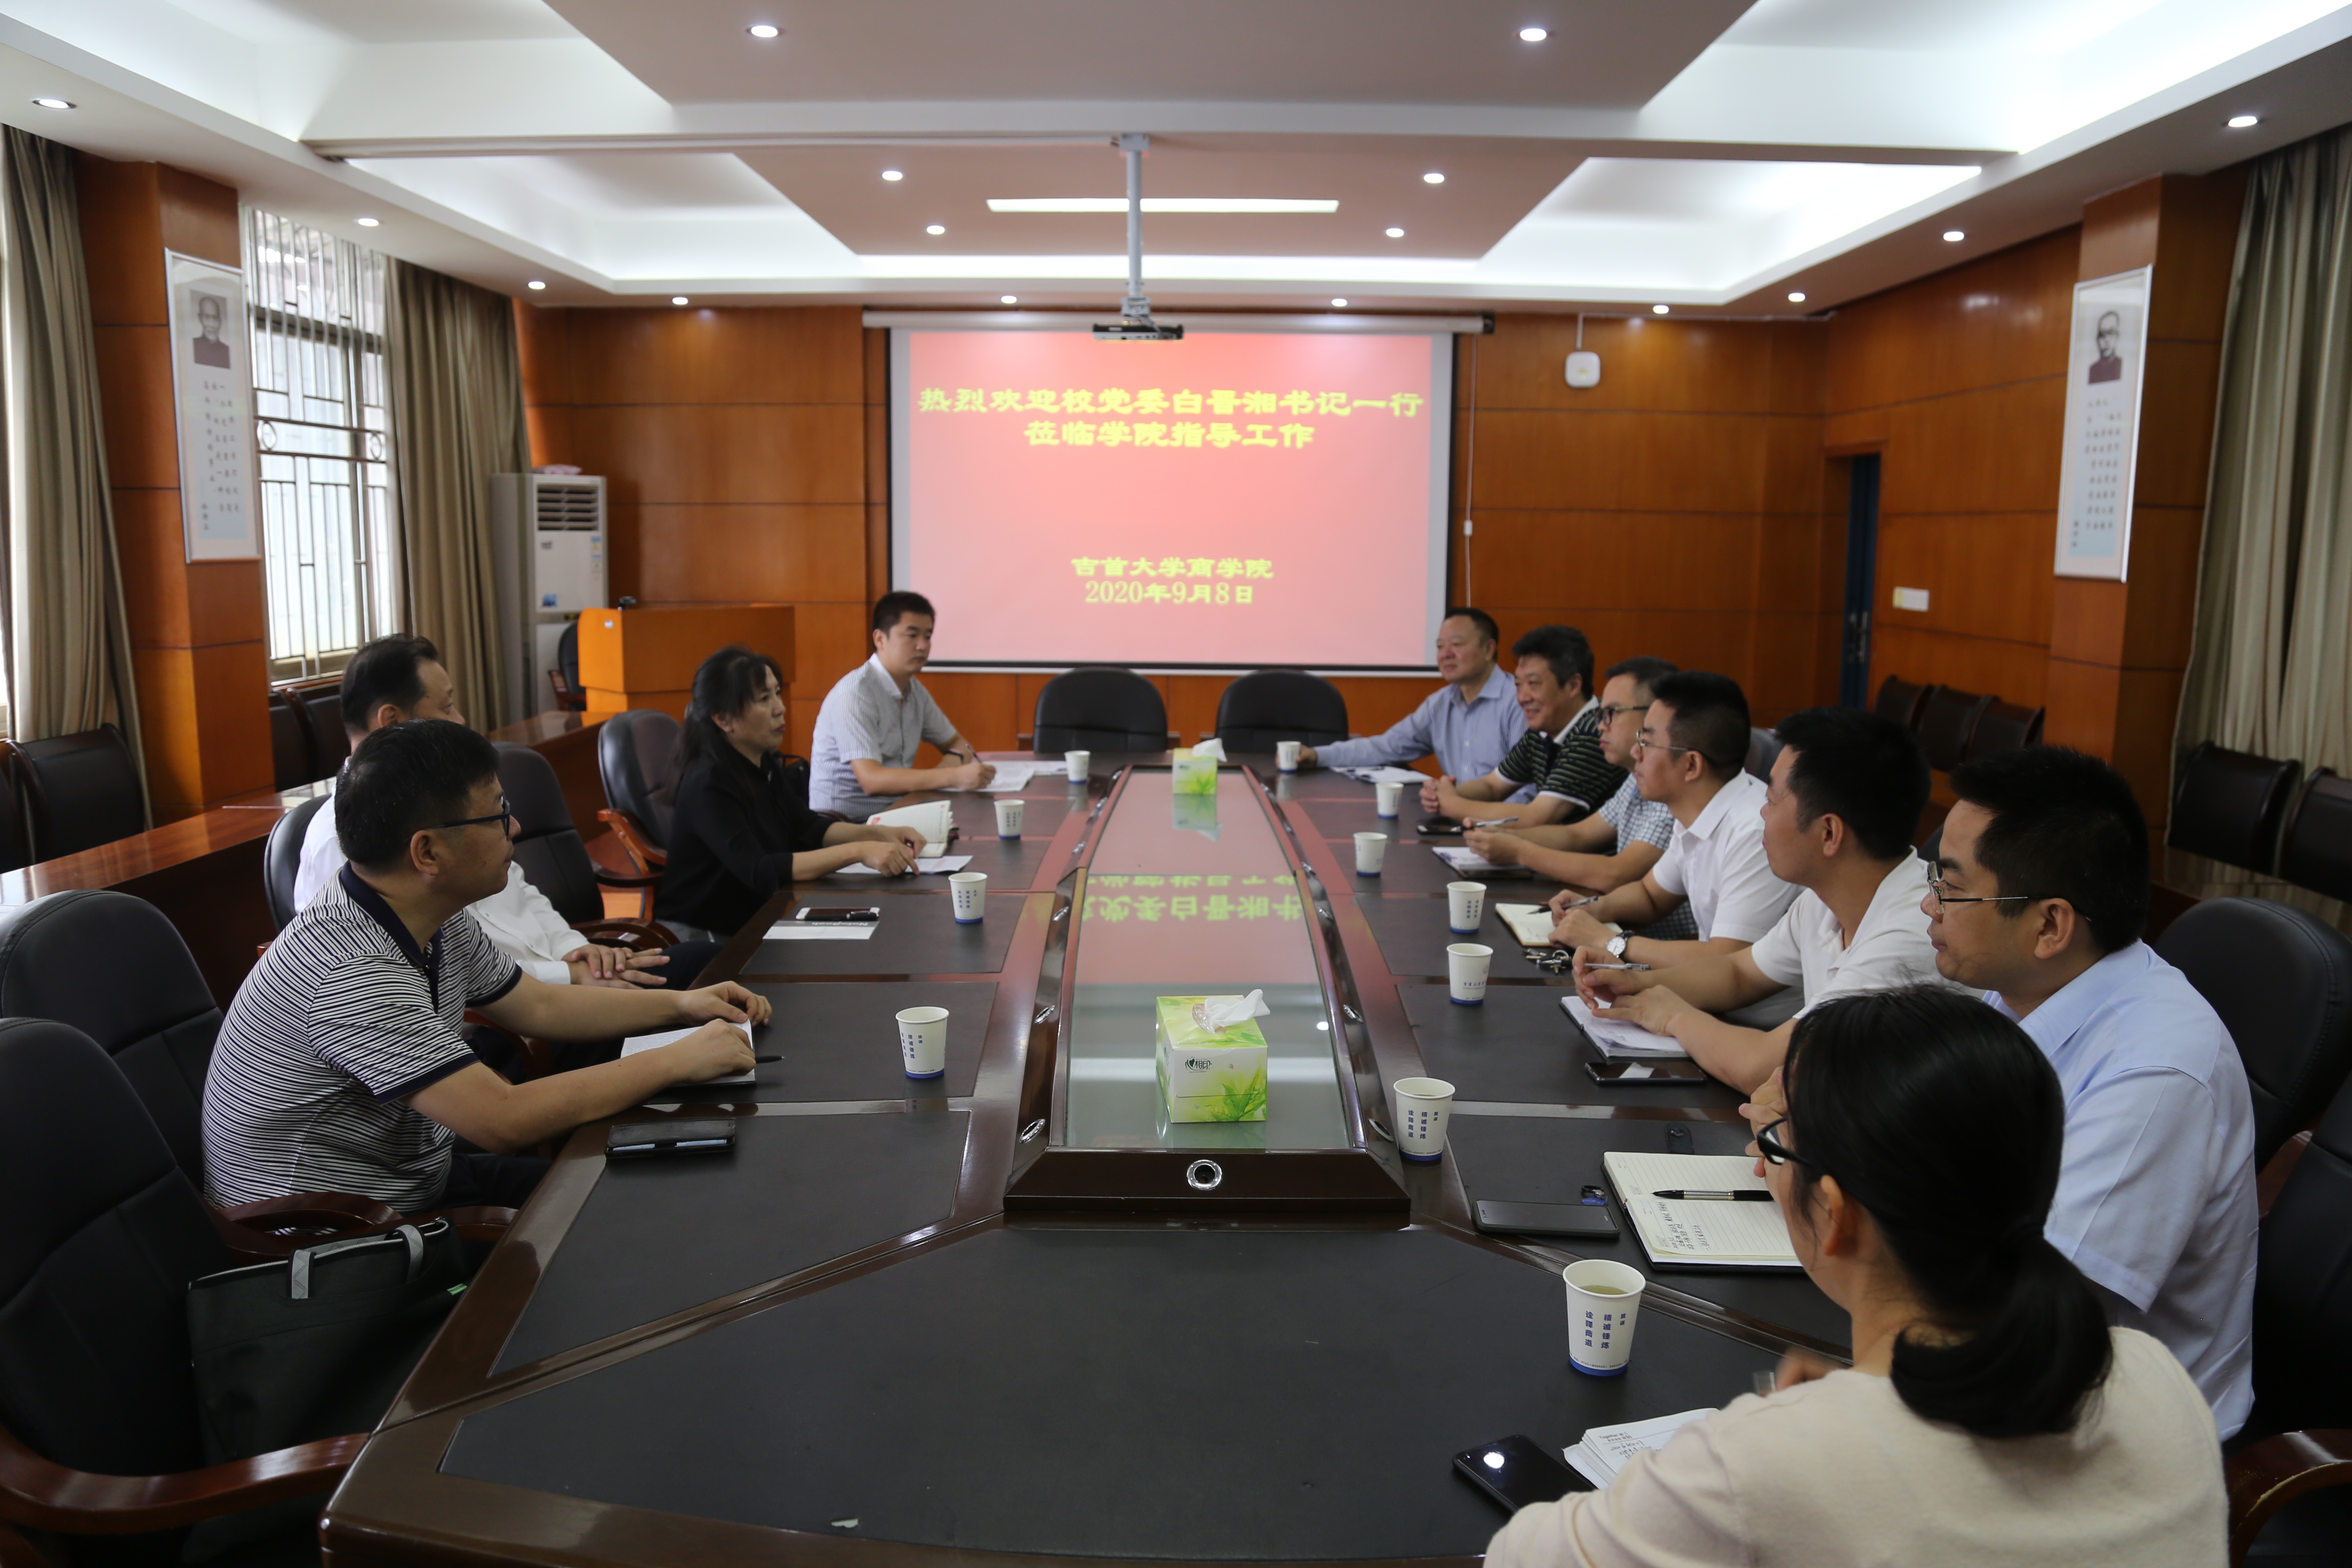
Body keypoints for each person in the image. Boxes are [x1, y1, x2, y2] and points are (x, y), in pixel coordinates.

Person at [1485, 987, 2228, 1568]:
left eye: (1777, 1142)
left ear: (1835, 1213)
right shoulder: (2158, 1380)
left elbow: (1522, 1554)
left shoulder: (1764, 1464)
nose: (1767, 1156)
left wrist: (1796, 1436)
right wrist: (1847, 1411)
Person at [204, 720, 769, 1213]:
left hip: (417, 1178)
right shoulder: (352, 971)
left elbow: (539, 1005)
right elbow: (503, 1120)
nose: (515, 827)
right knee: (623, 1218)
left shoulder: (428, 914)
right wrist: (676, 1059)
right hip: (337, 1237)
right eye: (498, 813)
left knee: (643, 1191)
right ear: (428, 852)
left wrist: (680, 1005)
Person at [1926, 744, 2255, 1435]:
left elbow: (2031, 1319)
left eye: (1952, 888)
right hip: (2003, 1368)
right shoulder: (2022, 991)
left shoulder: (2156, 1071)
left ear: (2050, 925)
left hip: (2114, 1431)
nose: (1930, 905)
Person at [294, 635, 711, 990]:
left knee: (703, 963)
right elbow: (433, 982)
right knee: (697, 988)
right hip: (512, 1022)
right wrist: (570, 976)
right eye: (447, 708)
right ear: (391, 721)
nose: (461, 721)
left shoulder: (444, 799)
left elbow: (519, 888)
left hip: (557, 985)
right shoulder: (345, 840)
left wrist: (576, 951)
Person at [1574, 706, 1954, 1093]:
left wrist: (1672, 1016)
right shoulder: (1826, 896)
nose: (1762, 813)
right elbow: (1740, 973)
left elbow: (1765, 1067)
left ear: (1829, 834)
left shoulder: (1911, 934)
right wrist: (1635, 983)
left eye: (1772, 800)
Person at [1546, 672, 1798, 995]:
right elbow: (1650, 896)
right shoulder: (1696, 809)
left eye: (1647, 743)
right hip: (1706, 997)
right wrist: (1592, 908)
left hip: (1750, 1016)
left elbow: (1726, 958)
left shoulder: (1754, 830)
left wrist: (1608, 940)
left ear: (1691, 766)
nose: (1636, 753)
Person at [659, 644, 931, 938]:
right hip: (705, 933)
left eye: (777, 693)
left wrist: (879, 834)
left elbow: (807, 826)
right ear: (724, 719)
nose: (780, 708)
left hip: (761, 914)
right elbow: (760, 870)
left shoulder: (761, 761)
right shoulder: (708, 782)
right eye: (764, 699)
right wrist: (859, 851)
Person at [1461, 657, 1695, 939]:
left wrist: (1518, 851)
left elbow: (1616, 874)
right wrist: (1504, 835)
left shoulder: (1675, 788)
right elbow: (1579, 835)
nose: (1601, 726)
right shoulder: (1637, 777)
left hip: (1672, 945)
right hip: (1633, 933)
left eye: (1611, 713)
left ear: (1655, 716)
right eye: (1600, 714)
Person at [808, 591, 993, 820]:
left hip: (898, 810)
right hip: (849, 824)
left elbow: (959, 743)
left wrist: (947, 770)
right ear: (880, 639)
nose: (922, 646)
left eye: (928, 636)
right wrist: (952, 777)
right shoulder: (855, 694)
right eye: (912, 636)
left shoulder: (914, 690)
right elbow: (871, 780)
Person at [1300, 607, 1526, 787]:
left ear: (1488, 650)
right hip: (1460, 820)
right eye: (1440, 646)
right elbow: (1387, 746)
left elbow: (1526, 790)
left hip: (1508, 825)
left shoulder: (1519, 702)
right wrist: (1318, 756)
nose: (1446, 654)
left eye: (1457, 645)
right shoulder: (1440, 704)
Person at [1425, 625, 1621, 829]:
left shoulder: (1595, 733)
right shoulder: (1543, 731)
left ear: (1573, 686)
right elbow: (1492, 786)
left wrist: (1452, 804)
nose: (1523, 698)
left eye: (1534, 684)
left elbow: (1537, 817)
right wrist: (1443, 792)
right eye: (1519, 685)